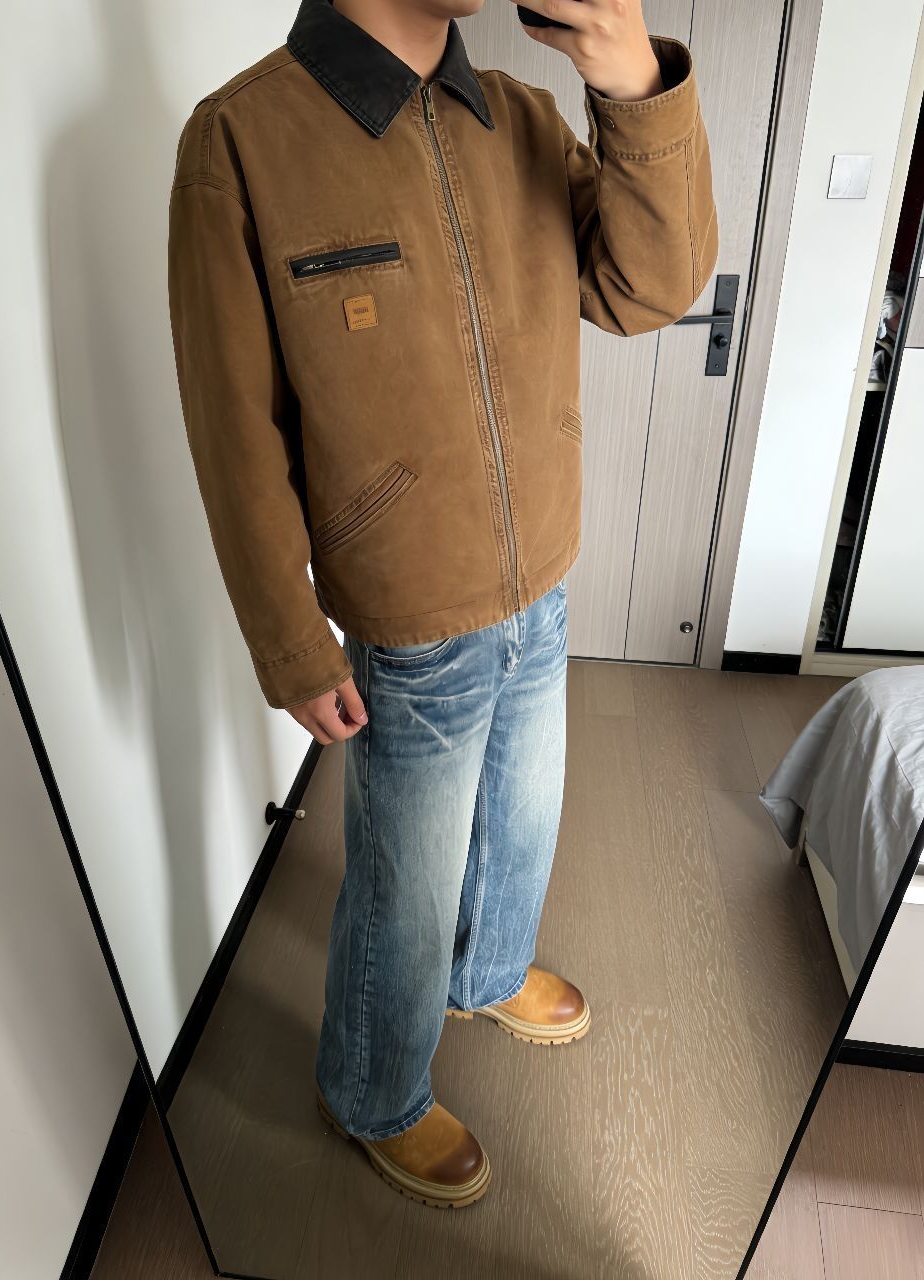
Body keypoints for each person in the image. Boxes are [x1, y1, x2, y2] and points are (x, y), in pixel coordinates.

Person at [167, 0, 717, 1209]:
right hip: (408, 608)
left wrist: (630, 78)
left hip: (541, 574)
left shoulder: (520, 115)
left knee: (522, 815)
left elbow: (651, 287)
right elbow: (232, 425)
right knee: (404, 883)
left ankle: (489, 969)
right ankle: (371, 1086)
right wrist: (289, 640)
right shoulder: (244, 138)